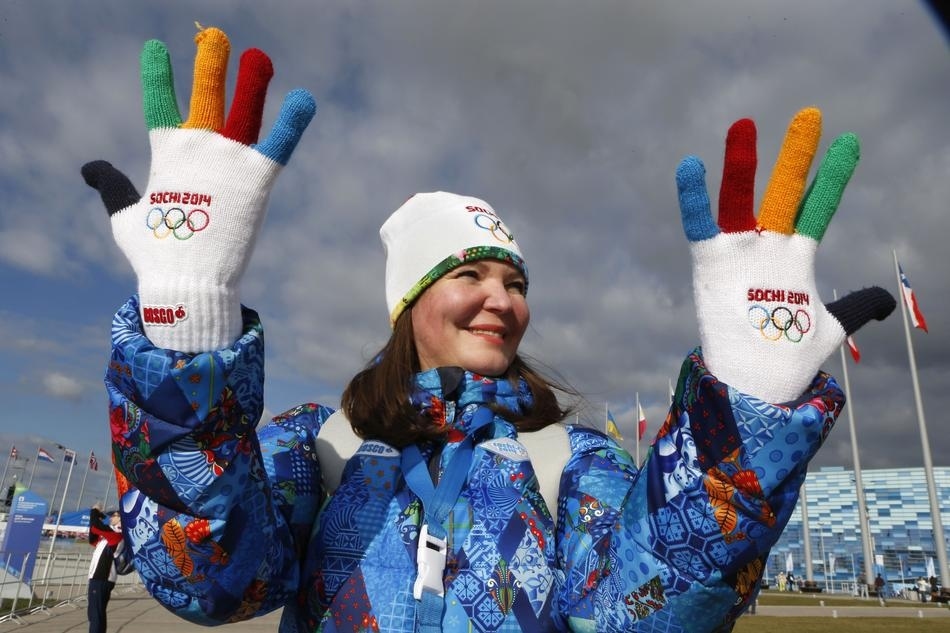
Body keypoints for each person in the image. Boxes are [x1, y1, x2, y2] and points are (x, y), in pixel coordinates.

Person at [81, 25, 896, 633]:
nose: (502, 299)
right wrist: (187, 313)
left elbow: (646, 613)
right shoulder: (318, 447)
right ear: (408, 308)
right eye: (468, 275)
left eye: (515, 281)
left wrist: (747, 403)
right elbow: (212, 582)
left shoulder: (570, 458)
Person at [87, 507, 123, 633]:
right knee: (94, 613)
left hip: (102, 578)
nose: (111, 518)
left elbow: (96, 527)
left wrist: (94, 512)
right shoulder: (107, 536)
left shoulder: (117, 534)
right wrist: (97, 516)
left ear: (121, 518)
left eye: (114, 515)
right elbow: (92, 537)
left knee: (96, 615)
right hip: (97, 578)